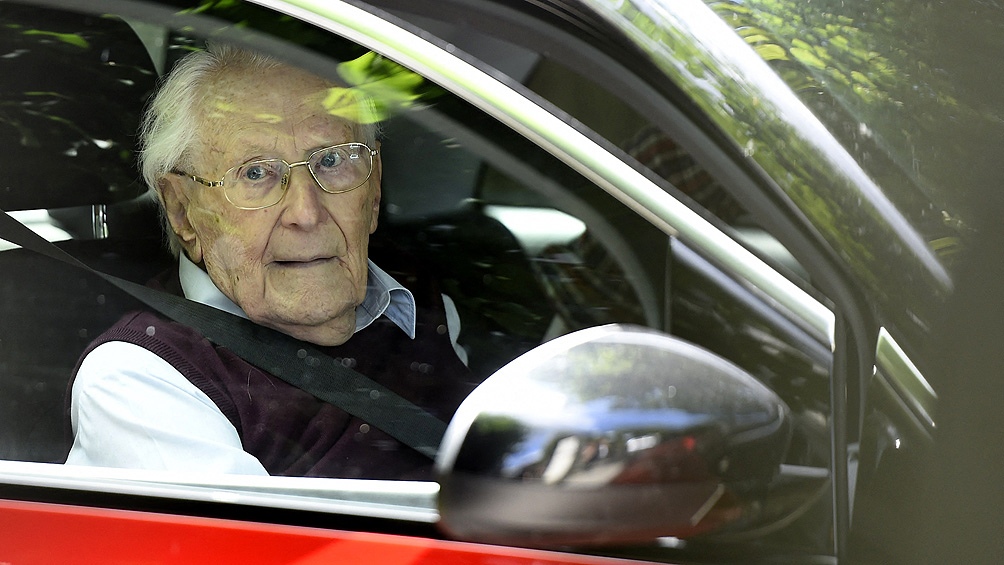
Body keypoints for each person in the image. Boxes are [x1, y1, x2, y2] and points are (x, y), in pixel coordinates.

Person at [64, 44, 473, 479]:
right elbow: (270, 549)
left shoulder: (420, 304)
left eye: (331, 161)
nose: (306, 213)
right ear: (183, 211)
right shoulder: (140, 380)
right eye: (255, 173)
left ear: (373, 192)